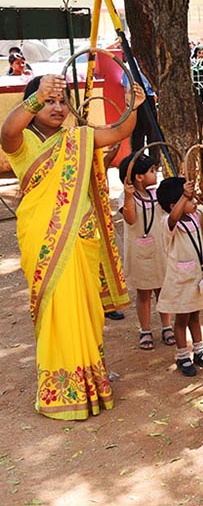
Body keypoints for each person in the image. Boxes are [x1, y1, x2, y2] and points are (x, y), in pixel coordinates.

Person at [2, 75, 138, 419]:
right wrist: (37, 95)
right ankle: (63, 391)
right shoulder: (22, 142)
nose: (58, 108)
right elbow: (7, 130)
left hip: (82, 240)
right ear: (33, 105)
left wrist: (132, 106)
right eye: (49, 101)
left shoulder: (77, 138)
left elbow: (119, 131)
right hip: (44, 242)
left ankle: (91, 379)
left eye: (62, 101)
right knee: (58, 311)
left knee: (87, 310)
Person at [157, 177, 203, 377]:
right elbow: (173, 218)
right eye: (188, 199)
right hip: (181, 280)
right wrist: (185, 196)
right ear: (174, 205)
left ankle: (199, 350)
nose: (193, 202)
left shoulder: (195, 215)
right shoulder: (167, 222)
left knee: (195, 315)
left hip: (197, 277)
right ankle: (183, 355)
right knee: (182, 318)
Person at [118, 153, 173, 351]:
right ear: (139, 177)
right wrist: (128, 195)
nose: (155, 173)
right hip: (139, 254)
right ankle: (145, 329)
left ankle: (167, 326)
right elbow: (130, 219)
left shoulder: (158, 194)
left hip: (160, 251)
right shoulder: (126, 198)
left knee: (162, 290)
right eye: (152, 171)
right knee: (143, 293)